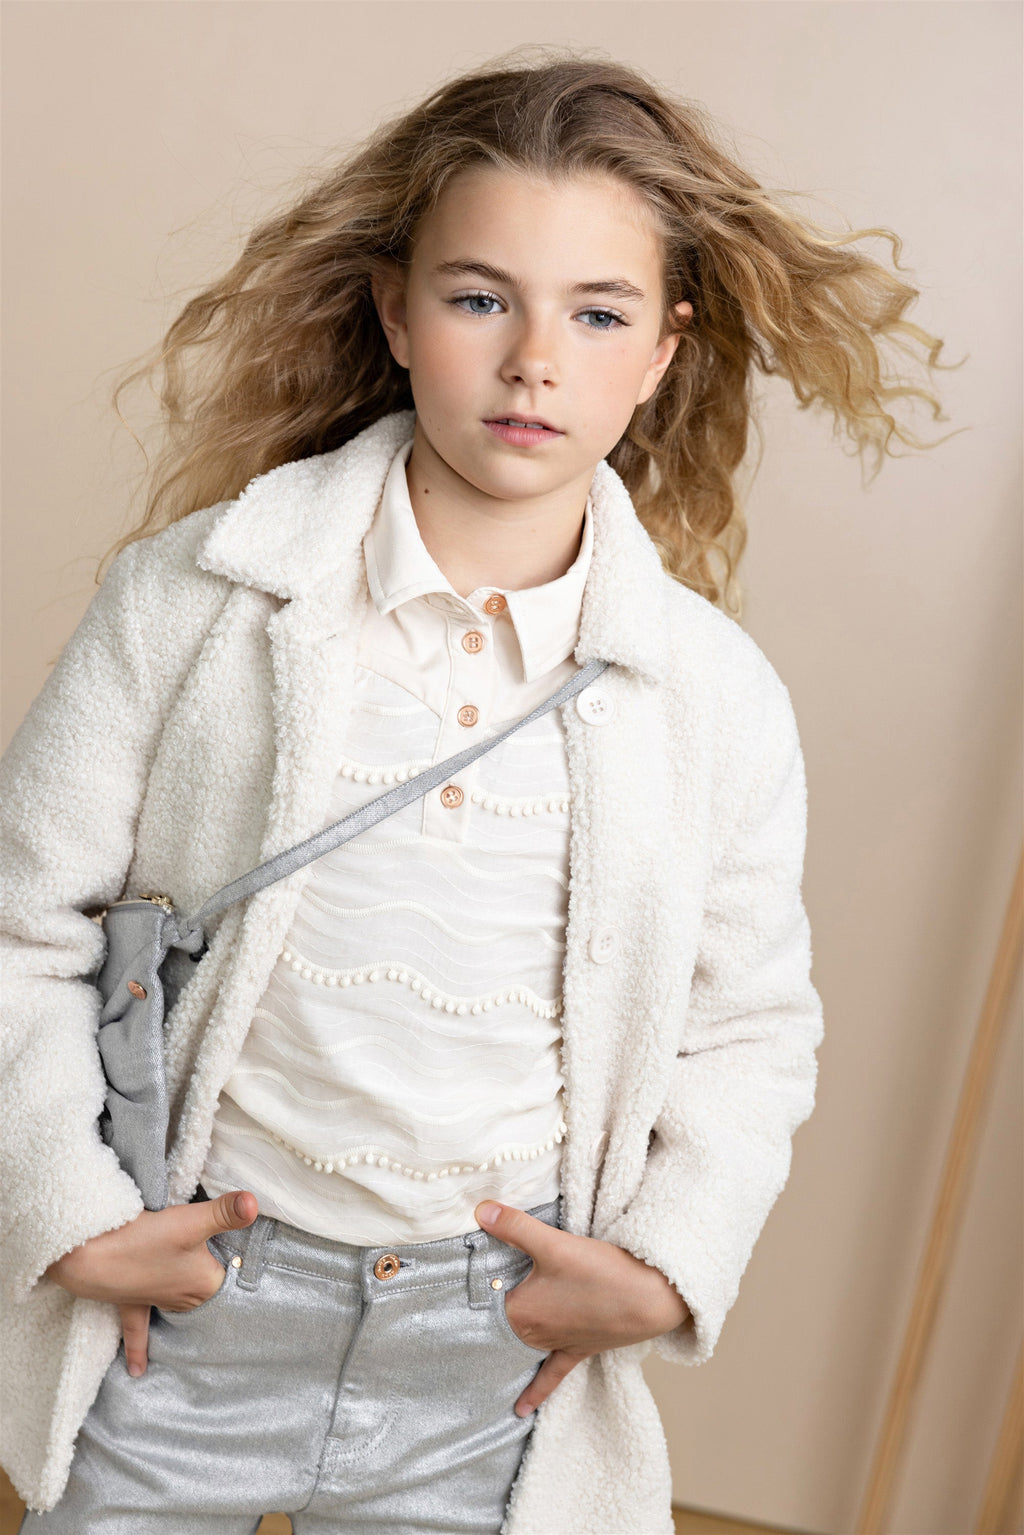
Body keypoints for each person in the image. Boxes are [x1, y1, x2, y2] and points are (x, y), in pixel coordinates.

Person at [1, 48, 950, 1535]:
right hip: (184, 1317)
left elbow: (750, 1031)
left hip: (492, 1360)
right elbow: (22, 930)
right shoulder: (192, 601)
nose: (535, 362)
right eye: (479, 298)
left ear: (664, 354)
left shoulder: (711, 698)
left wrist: (663, 1266)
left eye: (598, 313)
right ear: (394, 310)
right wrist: (71, 1215)